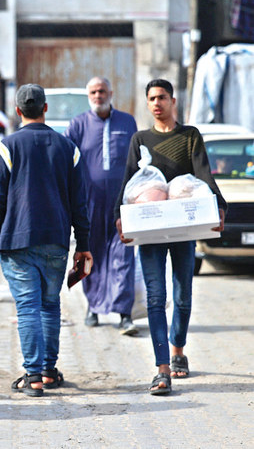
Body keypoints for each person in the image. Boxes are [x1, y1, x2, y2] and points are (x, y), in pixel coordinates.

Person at [114, 79, 226, 396]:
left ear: (172, 100)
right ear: (147, 103)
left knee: (182, 294)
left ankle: (178, 349)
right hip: (150, 229)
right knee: (154, 297)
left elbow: (204, 175)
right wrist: (119, 217)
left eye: (162, 97)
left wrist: (219, 207)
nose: (156, 103)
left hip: (183, 228)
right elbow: (128, 182)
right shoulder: (140, 139)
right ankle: (162, 368)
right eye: (151, 98)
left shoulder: (189, 136)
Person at [0, 84, 92, 397]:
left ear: (18, 111)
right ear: (45, 108)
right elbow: (80, 202)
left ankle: (32, 375)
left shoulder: (6, 147)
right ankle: (47, 371)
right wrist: (83, 243)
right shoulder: (67, 148)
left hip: (17, 241)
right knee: (49, 305)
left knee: (28, 307)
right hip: (56, 241)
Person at [64, 77, 139, 335]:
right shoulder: (78, 124)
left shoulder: (127, 122)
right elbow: (65, 158)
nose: (98, 95)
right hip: (90, 202)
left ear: (111, 93)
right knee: (91, 252)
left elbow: (138, 160)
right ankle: (93, 307)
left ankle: (124, 313)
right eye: (94, 92)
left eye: (102, 91)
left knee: (123, 255)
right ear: (88, 95)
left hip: (122, 201)